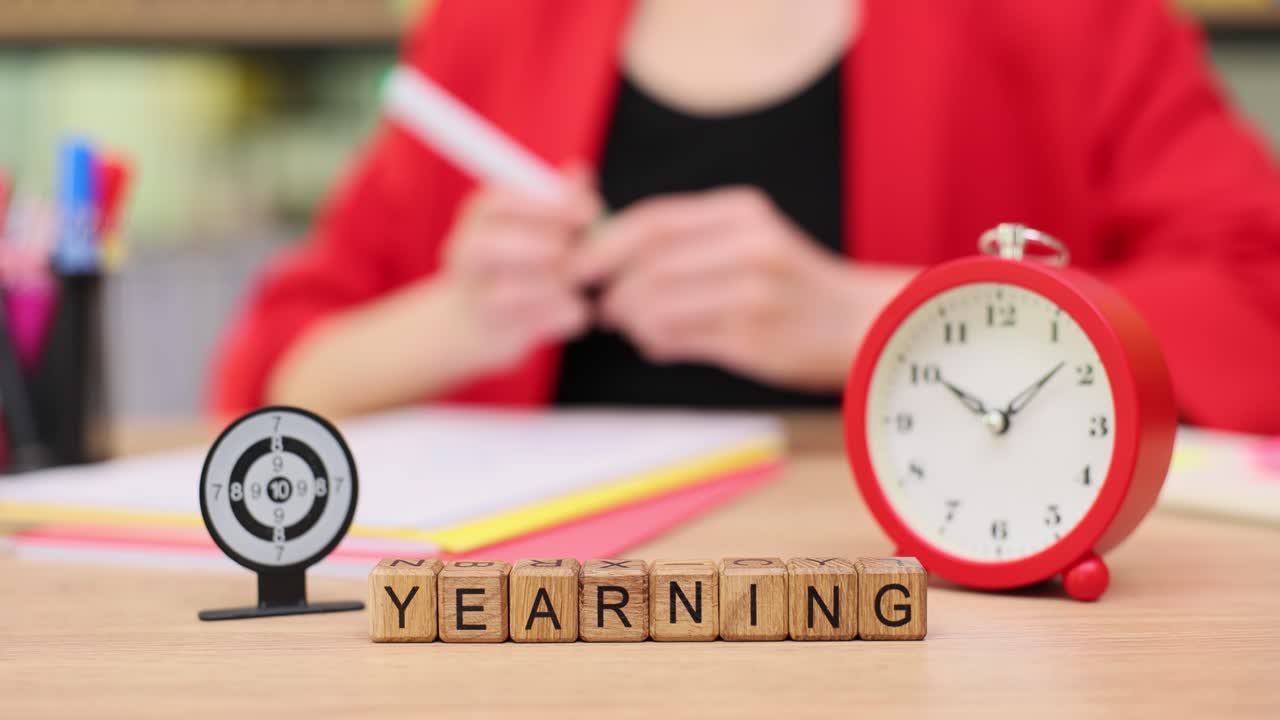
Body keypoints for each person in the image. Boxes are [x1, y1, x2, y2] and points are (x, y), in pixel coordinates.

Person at [211, 0, 1280, 433]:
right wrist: (461, 319)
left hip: (936, 625)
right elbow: (273, 382)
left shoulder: (1064, 21)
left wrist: (881, 322)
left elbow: (1254, 305)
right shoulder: (492, 29)